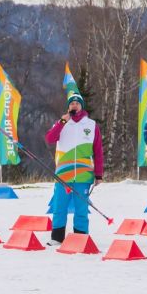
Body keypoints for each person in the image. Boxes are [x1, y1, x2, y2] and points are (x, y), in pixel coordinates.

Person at [44, 91, 103, 244]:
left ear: (81, 106)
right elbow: (50, 139)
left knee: (81, 210)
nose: (74, 105)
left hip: (83, 175)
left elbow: (98, 151)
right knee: (59, 207)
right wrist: (62, 122)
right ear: (68, 106)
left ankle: (80, 238)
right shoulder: (61, 123)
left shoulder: (91, 125)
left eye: (77, 103)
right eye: (71, 103)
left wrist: (98, 174)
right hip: (63, 175)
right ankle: (57, 238)